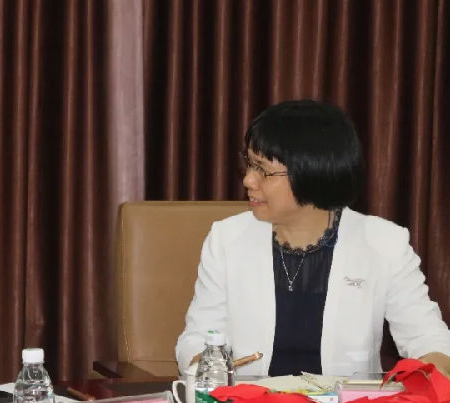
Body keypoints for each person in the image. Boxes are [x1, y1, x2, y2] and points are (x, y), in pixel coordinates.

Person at [176, 100, 450, 378]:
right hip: (253, 402)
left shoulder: (384, 243)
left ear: (313, 171)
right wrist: (208, 369)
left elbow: (427, 336)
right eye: (249, 164)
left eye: (263, 170)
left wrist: (436, 362)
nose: (248, 180)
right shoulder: (227, 239)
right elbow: (198, 337)